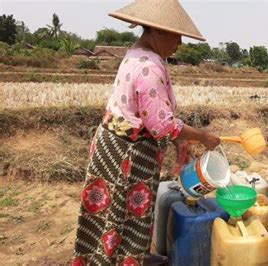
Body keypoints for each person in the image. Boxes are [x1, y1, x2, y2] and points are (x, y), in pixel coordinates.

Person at [72, 1, 219, 265]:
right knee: (121, 213)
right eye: (176, 35)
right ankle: (120, 259)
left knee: (121, 213)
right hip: (126, 154)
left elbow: (156, 115)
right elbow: (163, 125)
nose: (180, 43)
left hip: (117, 146)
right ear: (159, 31)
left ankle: (132, 256)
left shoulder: (139, 53)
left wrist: (181, 142)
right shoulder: (149, 67)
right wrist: (203, 137)